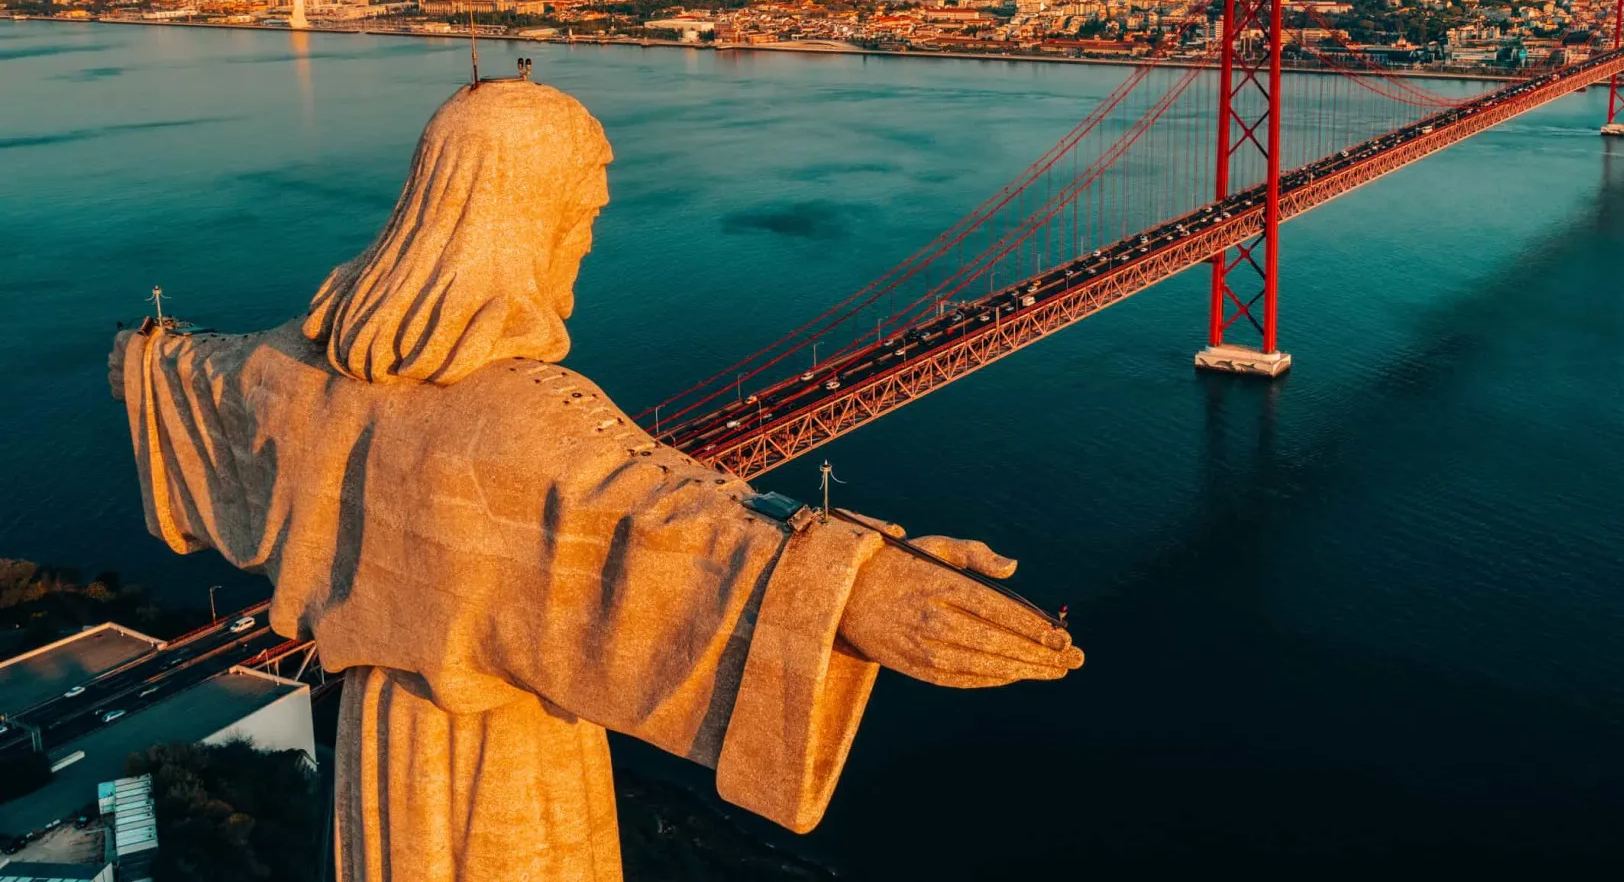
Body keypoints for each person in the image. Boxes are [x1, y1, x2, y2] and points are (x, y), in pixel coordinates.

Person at [110, 78, 1083, 882]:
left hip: (384, 751)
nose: (584, 237)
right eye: (576, 216)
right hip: (513, 760)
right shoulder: (525, 417)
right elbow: (656, 531)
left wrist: (145, 358)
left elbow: (197, 379)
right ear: (517, 215)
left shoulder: (295, 372)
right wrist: (862, 584)